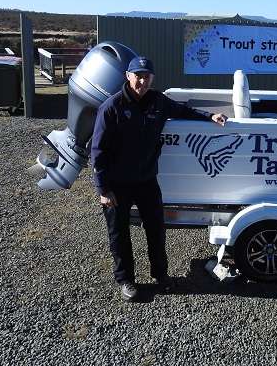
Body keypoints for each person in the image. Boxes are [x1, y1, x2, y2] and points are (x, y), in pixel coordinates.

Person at [91, 56, 227, 302]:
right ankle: (126, 280)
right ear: (128, 76)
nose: (142, 80)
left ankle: (161, 276)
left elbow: (184, 110)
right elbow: (97, 152)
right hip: (117, 184)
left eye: (147, 76)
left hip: (146, 181)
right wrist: (103, 188)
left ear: (152, 79)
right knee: (119, 234)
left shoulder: (158, 101)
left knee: (156, 230)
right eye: (138, 75)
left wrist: (209, 117)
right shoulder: (111, 107)